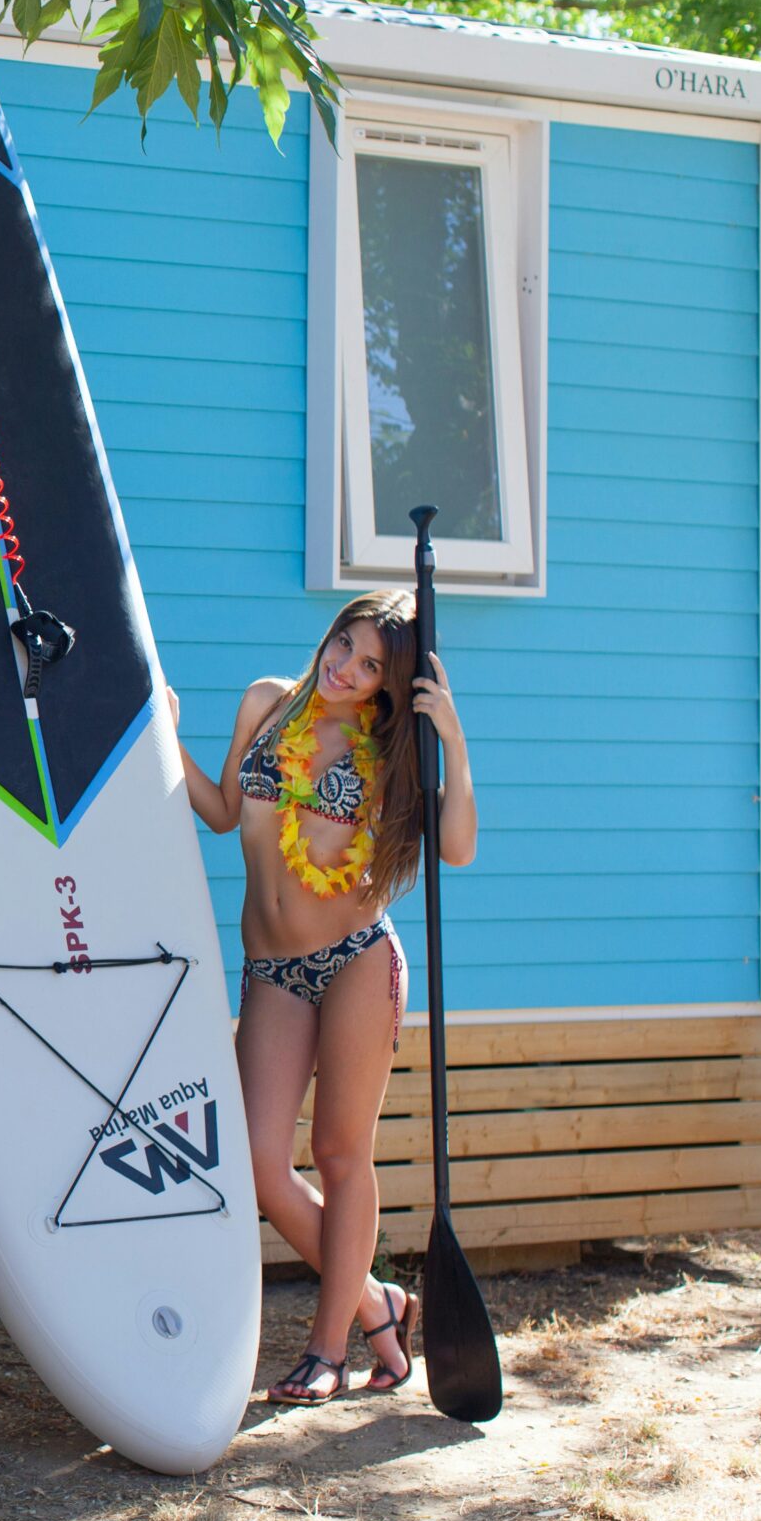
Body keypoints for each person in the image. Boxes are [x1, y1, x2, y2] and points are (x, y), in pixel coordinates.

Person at [167, 591, 476, 1405]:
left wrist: (451, 739)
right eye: (345, 643)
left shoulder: (390, 749)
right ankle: (378, 1304)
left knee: (341, 1154)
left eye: (370, 664)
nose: (345, 667)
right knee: (258, 1165)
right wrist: (165, 737)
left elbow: (457, 847)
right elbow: (222, 811)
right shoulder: (267, 703)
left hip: (354, 962)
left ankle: (328, 1349)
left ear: (386, 683)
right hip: (273, 970)